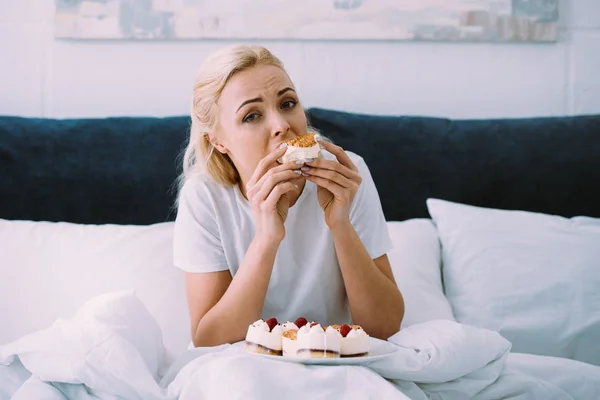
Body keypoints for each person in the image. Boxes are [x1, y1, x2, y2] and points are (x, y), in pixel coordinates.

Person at [173, 44, 404, 348]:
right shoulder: (205, 197)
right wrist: (267, 238)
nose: (282, 125)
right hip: (244, 364)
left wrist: (340, 225)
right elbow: (210, 341)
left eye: (287, 103)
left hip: (333, 357)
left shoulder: (347, 174)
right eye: (252, 116)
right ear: (218, 141)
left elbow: (384, 328)